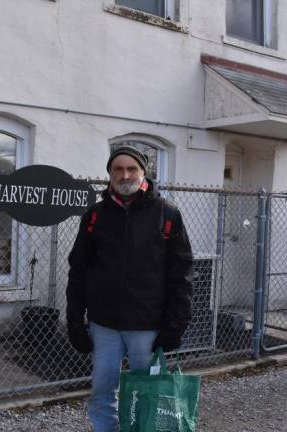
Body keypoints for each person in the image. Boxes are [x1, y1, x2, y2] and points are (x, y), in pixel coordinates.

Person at [66, 145, 194, 432]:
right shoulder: (95, 216)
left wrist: (177, 324)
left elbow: (182, 273)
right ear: (110, 174)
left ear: (143, 172)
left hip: (147, 326)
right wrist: (75, 318)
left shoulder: (167, 214)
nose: (125, 175)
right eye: (118, 169)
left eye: (131, 169)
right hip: (105, 325)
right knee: (102, 392)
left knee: (148, 394)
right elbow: (79, 270)